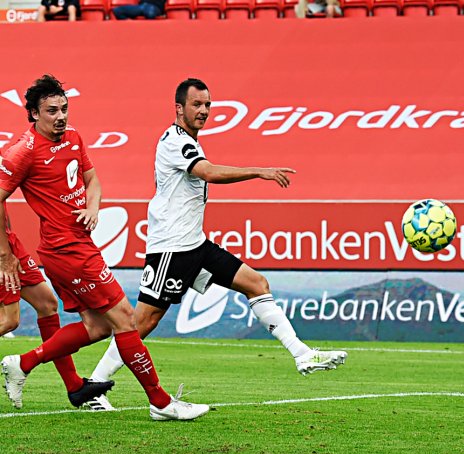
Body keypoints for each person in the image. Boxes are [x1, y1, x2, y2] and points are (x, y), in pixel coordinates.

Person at [87, 78, 347, 401]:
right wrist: (259, 171)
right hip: (171, 248)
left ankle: (301, 353)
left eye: (208, 105)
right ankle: (95, 385)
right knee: (142, 322)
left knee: (257, 284)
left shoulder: (191, 141)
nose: (204, 111)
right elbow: (207, 172)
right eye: (197, 105)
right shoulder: (173, 141)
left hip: (196, 245)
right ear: (179, 108)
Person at [0, 75, 208, 421]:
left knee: (98, 327)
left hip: (78, 244)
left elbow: (92, 178)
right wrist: (5, 254)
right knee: (126, 319)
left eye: (64, 108)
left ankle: (23, 362)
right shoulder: (23, 152)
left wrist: (92, 206)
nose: (61, 116)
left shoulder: (73, 138)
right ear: (34, 114)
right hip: (67, 250)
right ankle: (161, 402)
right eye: (52, 111)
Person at [0, 214, 112, 408]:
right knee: (9, 321)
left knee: (47, 304)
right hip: (3, 249)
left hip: (9, 242)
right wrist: (3, 254)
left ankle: (74, 386)